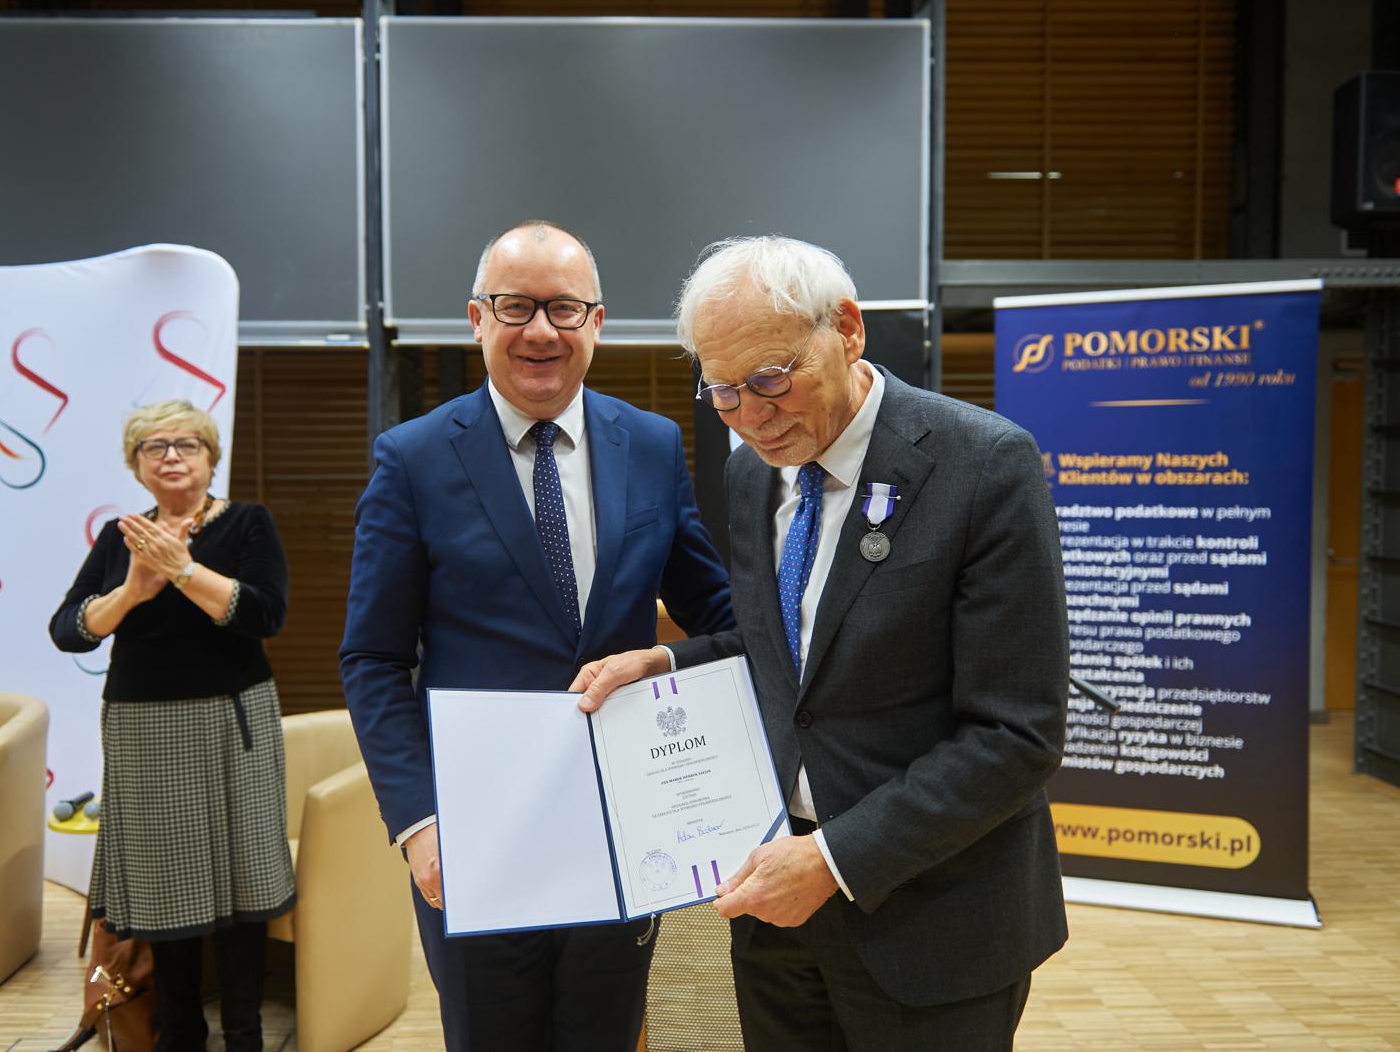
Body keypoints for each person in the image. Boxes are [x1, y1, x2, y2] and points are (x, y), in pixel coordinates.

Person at [573, 236, 1069, 1052]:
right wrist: (666, 661)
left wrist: (833, 859)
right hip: (776, 911)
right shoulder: (750, 472)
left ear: (846, 328)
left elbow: (1018, 733)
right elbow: (790, 650)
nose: (752, 416)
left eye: (771, 379)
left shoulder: (984, 465)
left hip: (933, 918)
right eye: (722, 392)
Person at [340, 220, 734, 1052]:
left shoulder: (653, 446)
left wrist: (662, 658)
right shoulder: (413, 459)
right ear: (477, 319)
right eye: (516, 306)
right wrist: (418, 821)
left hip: (622, 829)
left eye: (564, 308)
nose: (542, 331)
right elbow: (373, 658)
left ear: (598, 322)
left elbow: (729, 624)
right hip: (477, 837)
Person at [49, 399, 292, 1052]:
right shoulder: (120, 536)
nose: (172, 456)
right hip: (143, 729)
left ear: (211, 457)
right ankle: (180, 1032)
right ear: (136, 466)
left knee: (243, 882)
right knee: (166, 890)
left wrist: (184, 570)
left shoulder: (247, 522)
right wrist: (133, 590)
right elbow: (68, 629)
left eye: (187, 444)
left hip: (232, 721)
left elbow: (265, 614)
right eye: (154, 447)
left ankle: (244, 1033)